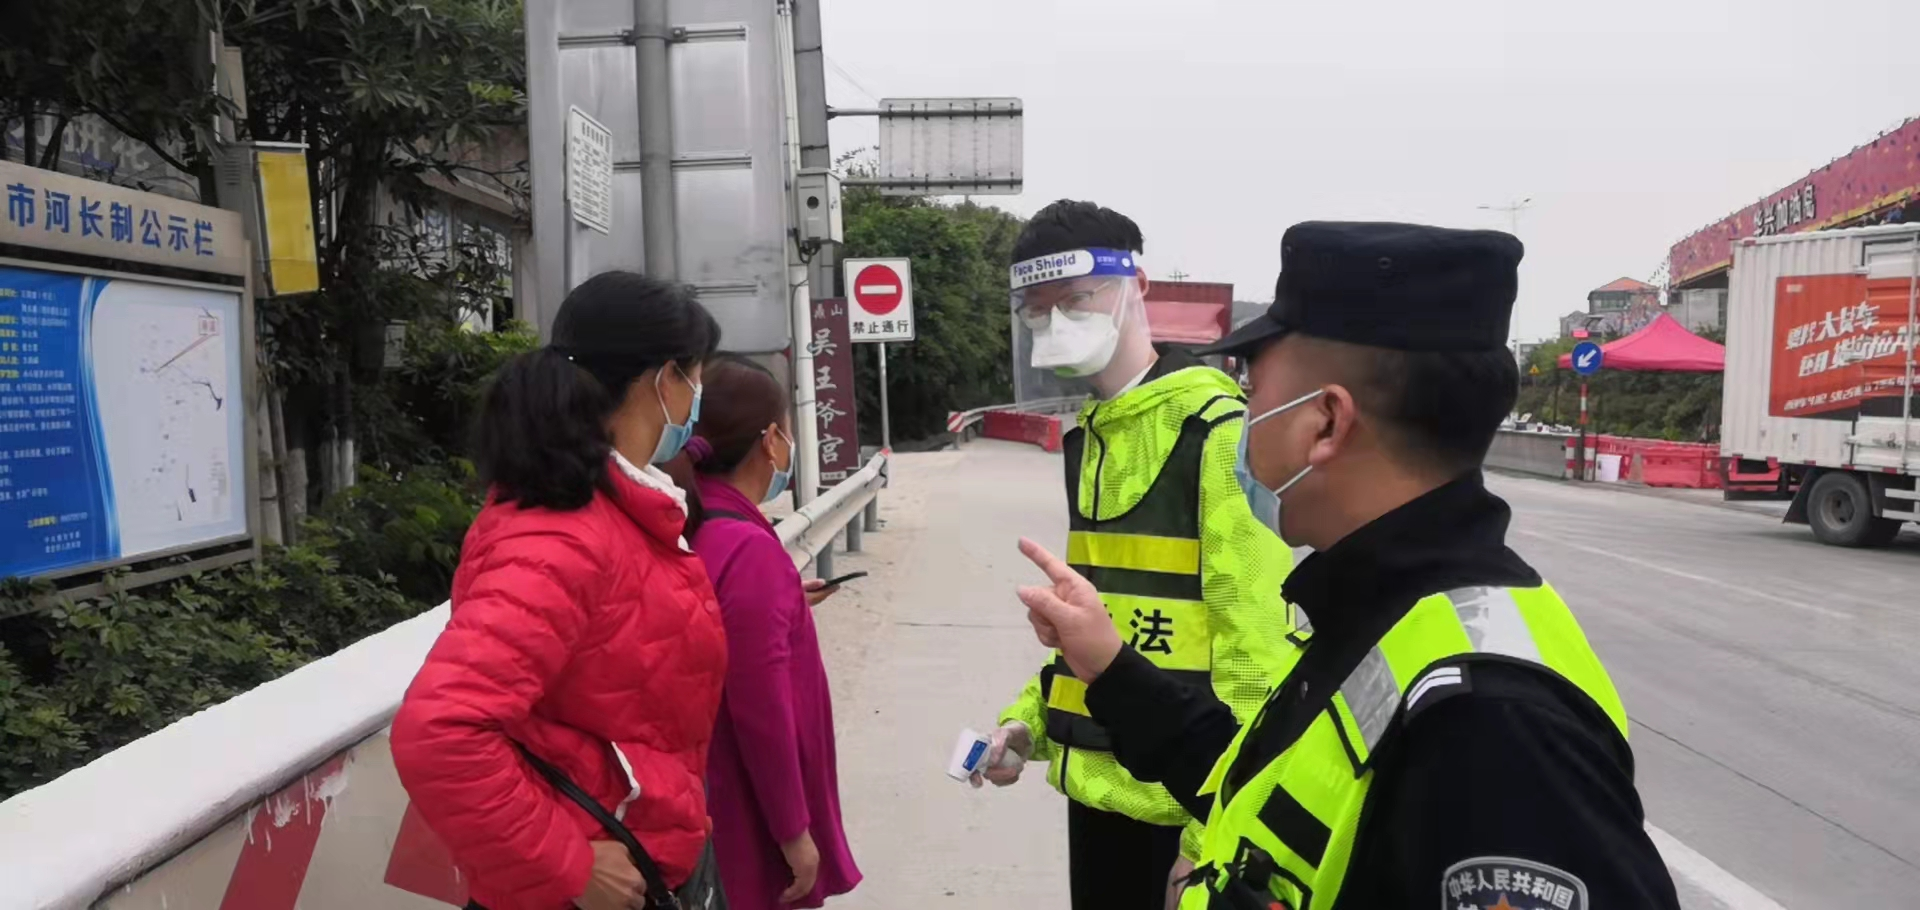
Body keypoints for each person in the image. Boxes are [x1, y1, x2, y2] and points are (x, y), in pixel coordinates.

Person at [1012, 221, 1682, 910]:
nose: (1241, 422)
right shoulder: (1378, 617)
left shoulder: (1495, 722)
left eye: (1252, 395)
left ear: (1326, 422)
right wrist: (1111, 669)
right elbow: (1268, 781)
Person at [980, 199, 1297, 910]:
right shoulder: (1096, 437)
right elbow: (1104, 626)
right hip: (1096, 794)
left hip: (1179, 807)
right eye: (1037, 309)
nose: (1055, 323)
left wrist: (1211, 833)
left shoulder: (1217, 432)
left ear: (1138, 285)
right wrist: (1027, 725)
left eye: (1075, 300)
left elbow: (1258, 653)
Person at [391, 271, 729, 910]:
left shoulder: (619, 515)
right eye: (695, 377)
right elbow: (441, 731)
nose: (696, 398)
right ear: (664, 380)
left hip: (651, 859)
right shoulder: (559, 538)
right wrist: (568, 863)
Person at [660, 355, 863, 910]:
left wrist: (784, 604)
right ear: (771, 440)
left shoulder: (689, 524)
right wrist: (794, 831)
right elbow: (761, 709)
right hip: (740, 807)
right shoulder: (747, 549)